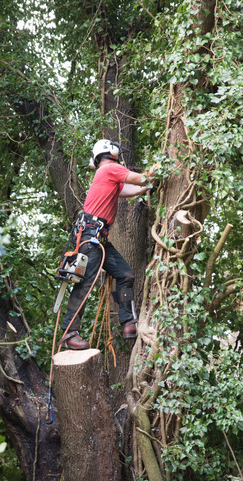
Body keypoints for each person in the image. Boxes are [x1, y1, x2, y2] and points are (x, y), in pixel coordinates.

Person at [60, 139, 155, 350]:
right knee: (85, 284)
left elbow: (133, 188)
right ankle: (69, 333)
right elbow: (142, 179)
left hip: (99, 239)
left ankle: (128, 322)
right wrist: (160, 166)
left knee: (125, 274)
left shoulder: (107, 175)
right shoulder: (111, 168)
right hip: (91, 238)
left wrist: (148, 185)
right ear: (110, 152)